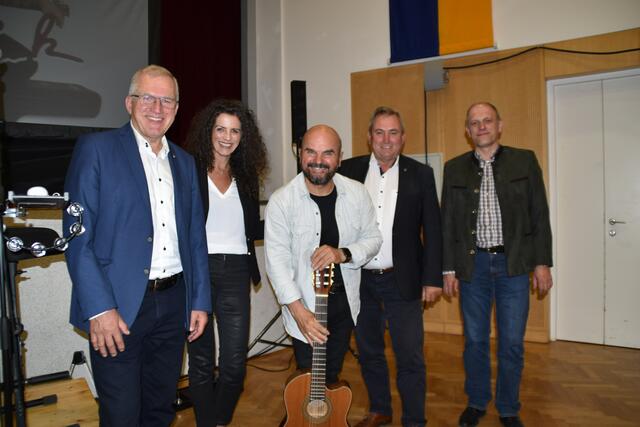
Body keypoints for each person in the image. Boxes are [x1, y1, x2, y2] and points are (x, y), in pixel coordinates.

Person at [63, 65, 211, 427]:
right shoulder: (96, 150)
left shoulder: (185, 163)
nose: (157, 108)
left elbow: (194, 236)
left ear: (177, 109)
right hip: (119, 307)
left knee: (160, 409)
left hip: (175, 302)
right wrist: (99, 309)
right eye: (148, 98)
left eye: (167, 100)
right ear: (130, 102)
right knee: (121, 414)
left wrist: (199, 302)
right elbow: (77, 236)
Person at [441, 102, 553, 427]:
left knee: (512, 342)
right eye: (474, 122)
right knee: (474, 340)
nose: (481, 127)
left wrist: (542, 262)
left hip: (514, 266)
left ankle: (508, 408)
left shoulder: (525, 160)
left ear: (499, 125)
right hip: (472, 267)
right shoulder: (454, 168)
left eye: (487, 120)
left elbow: (539, 215)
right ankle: (476, 402)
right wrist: (448, 269)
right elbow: (447, 222)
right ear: (467, 131)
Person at [339, 106, 443, 427]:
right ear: (369, 136)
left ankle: (414, 420)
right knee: (369, 352)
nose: (386, 140)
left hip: (404, 280)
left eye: (393, 133)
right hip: (360, 281)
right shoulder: (348, 170)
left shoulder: (421, 174)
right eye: (380, 132)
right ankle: (380, 409)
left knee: (409, 356)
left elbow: (434, 230)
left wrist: (432, 278)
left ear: (403, 138)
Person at [264, 124, 382, 386]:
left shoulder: (357, 193)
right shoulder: (282, 201)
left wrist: (343, 253)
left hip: (344, 305)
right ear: (300, 155)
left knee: (331, 377)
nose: (318, 161)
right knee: (308, 380)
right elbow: (276, 263)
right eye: (310, 152)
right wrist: (299, 312)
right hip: (304, 304)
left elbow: (374, 239)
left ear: (340, 158)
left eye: (327, 153)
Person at [184, 99, 268, 426]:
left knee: (234, 364)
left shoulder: (246, 176)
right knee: (201, 363)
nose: (227, 137)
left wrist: (285, 219)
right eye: (221, 128)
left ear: (243, 136)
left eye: (235, 131)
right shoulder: (189, 169)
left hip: (235, 272)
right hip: (199, 271)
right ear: (209, 131)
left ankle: (219, 420)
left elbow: (252, 226)